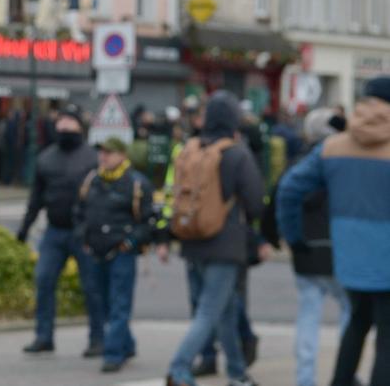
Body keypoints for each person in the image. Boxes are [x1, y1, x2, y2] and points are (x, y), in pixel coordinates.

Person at [278, 78, 390, 386]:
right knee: (386, 341)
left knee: (357, 323)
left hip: (350, 258)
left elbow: (289, 190)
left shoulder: (333, 147)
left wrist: (294, 236)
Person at [162, 91, 267, 386]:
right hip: (225, 243)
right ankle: (179, 368)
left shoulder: (190, 148)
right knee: (210, 312)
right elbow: (255, 201)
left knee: (226, 309)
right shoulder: (235, 152)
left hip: (191, 238)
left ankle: (237, 372)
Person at [262, 108, 352, 386]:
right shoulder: (342, 163)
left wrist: (280, 236)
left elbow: (278, 197)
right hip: (338, 247)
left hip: (305, 247)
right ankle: (346, 373)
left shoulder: (297, 163)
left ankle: (305, 378)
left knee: (308, 315)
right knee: (351, 314)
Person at [17, 104, 106, 357]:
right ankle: (44, 336)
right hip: (55, 231)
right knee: (43, 280)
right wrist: (24, 228)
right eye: (62, 121)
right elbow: (36, 199)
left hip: (84, 232)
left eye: (71, 121)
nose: (65, 126)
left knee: (92, 286)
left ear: (80, 126)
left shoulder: (92, 158)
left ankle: (98, 338)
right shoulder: (46, 158)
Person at [74, 137, 154, 373]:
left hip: (121, 253)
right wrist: (84, 239)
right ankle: (126, 345)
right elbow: (79, 212)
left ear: (122, 155)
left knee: (119, 303)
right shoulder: (92, 180)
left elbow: (147, 221)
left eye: (109, 153)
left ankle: (113, 354)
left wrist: (130, 241)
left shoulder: (136, 183)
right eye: (101, 153)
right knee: (105, 303)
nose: (103, 157)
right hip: (96, 251)